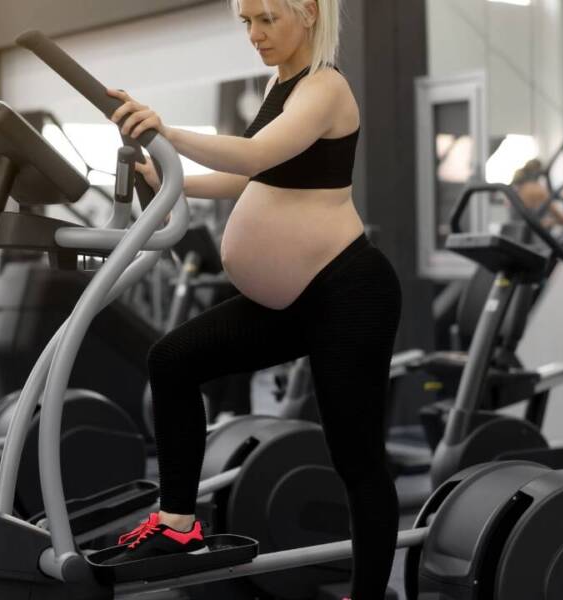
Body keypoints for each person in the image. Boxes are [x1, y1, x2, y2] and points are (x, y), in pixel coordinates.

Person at [103, 1, 402, 598]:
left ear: (310, 12)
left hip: (346, 292)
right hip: (291, 300)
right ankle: (179, 526)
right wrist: (169, 180)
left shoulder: (325, 89)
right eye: (245, 21)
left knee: (356, 459)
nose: (254, 35)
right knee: (173, 360)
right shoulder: (281, 85)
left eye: (267, 18)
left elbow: (254, 156)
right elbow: (248, 178)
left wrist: (165, 131)